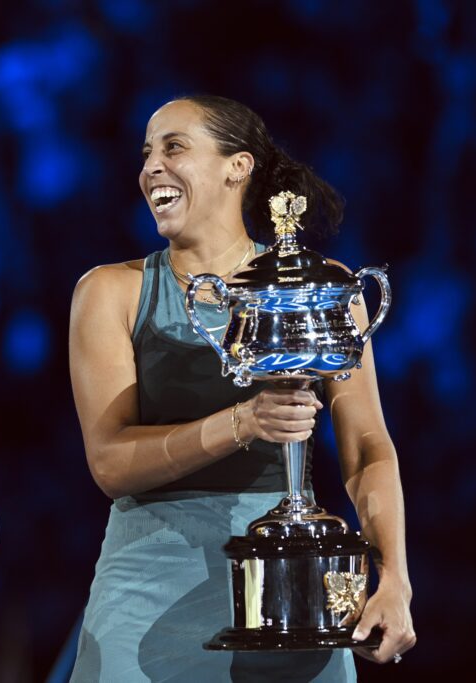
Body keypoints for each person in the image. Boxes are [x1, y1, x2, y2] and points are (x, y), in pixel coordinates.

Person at [67, 95, 415, 681]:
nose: (151, 167)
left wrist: (396, 578)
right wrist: (242, 423)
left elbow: (368, 447)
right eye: (147, 153)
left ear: (239, 166)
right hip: (148, 584)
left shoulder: (319, 289)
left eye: (174, 147)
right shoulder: (111, 291)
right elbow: (109, 464)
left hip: (296, 586)